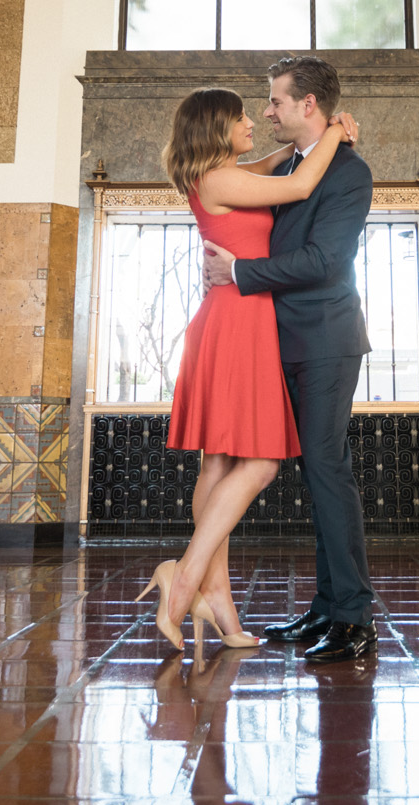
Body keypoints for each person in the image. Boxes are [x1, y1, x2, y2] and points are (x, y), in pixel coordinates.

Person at [135, 85, 357, 651]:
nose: (254, 121)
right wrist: (332, 132)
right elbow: (302, 184)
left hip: (234, 318)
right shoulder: (219, 180)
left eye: (262, 109)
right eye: (241, 117)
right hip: (237, 321)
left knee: (218, 464)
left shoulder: (218, 174)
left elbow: (272, 164)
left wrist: (306, 142)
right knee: (257, 465)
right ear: (217, 128)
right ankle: (183, 578)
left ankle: (220, 601)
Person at [203, 55, 378, 664]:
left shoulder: (349, 173)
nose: (269, 111)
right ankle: (327, 606)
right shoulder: (301, 162)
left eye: (276, 101)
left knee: (329, 471)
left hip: (328, 340)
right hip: (284, 341)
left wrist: (240, 272)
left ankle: (355, 618)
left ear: (308, 105)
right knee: (318, 475)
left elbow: (325, 262)